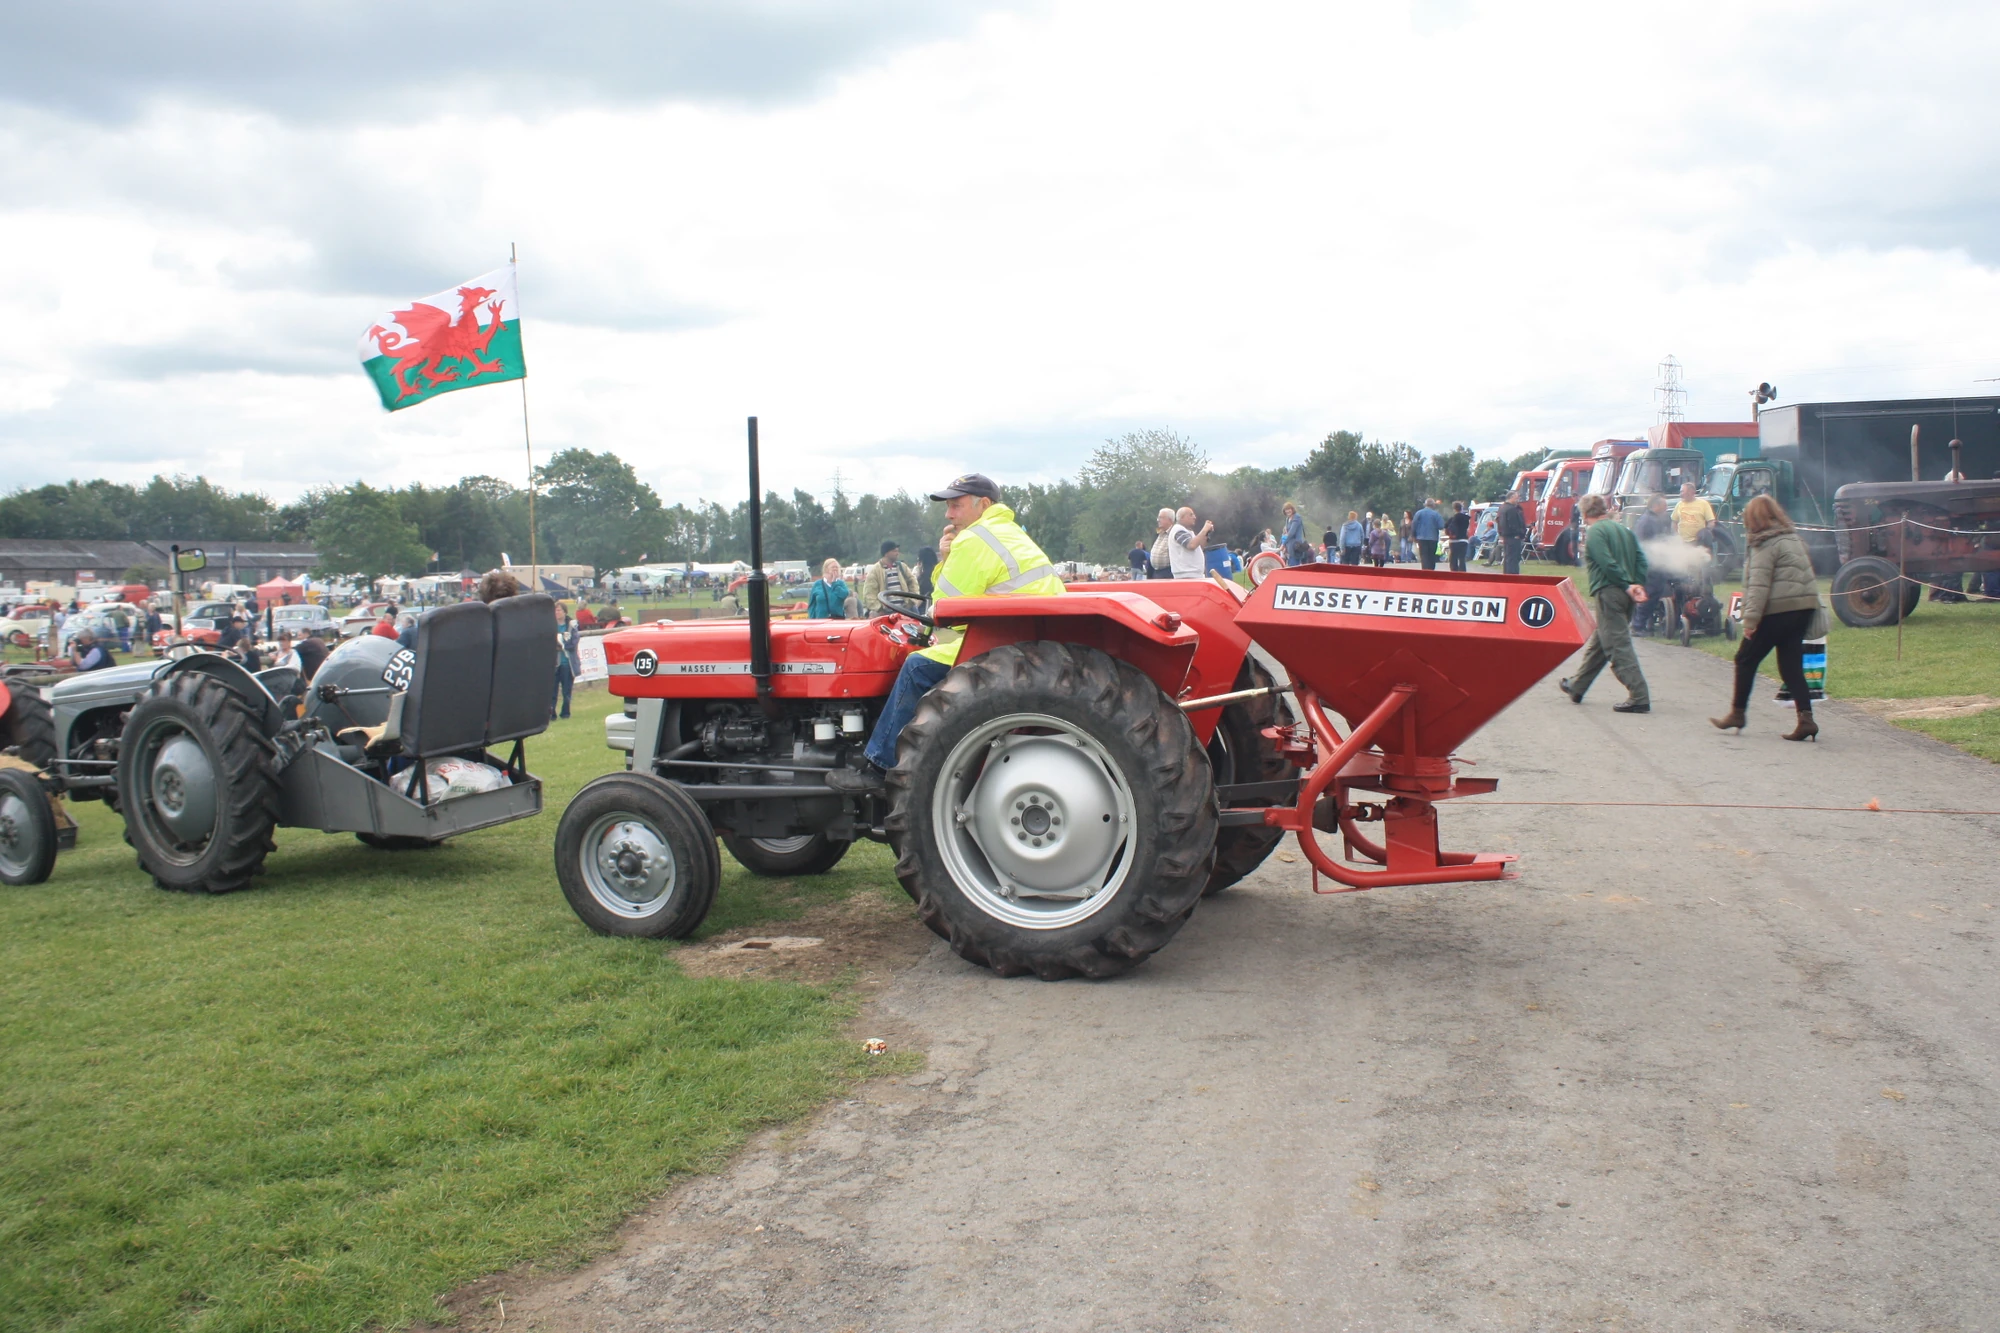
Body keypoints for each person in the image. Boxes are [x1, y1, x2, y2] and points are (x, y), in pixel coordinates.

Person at [827, 472, 1063, 793]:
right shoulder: (1010, 533)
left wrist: (947, 558)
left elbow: (944, 608)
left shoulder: (975, 539)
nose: (949, 515)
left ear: (983, 504)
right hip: (1027, 640)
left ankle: (879, 765)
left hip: (1001, 646)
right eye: (948, 507)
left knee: (916, 666)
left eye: (956, 506)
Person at [1711, 494, 1821, 741]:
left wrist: (1750, 622)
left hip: (1777, 610)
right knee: (1791, 666)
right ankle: (1806, 719)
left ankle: (1737, 713)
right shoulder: (1793, 538)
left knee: (1745, 659)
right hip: (1803, 607)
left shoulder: (1765, 543)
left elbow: (1759, 586)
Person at [1559, 494, 1651, 713]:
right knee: (1602, 640)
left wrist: (1625, 584)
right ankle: (1577, 686)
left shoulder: (1595, 532)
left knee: (1616, 644)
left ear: (1584, 513)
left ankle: (1639, 695)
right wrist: (1636, 584)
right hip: (1627, 593)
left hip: (1610, 591)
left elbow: (1606, 563)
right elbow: (1641, 560)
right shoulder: (1624, 530)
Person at [861, 541, 918, 614]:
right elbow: (869, 593)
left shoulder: (902, 567)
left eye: (897, 551)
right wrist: (879, 609)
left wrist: (911, 601)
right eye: (894, 551)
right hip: (886, 612)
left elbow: (913, 582)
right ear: (886, 553)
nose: (897, 553)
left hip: (904, 610)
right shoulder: (875, 571)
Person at [1168, 506, 1212, 579]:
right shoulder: (1178, 530)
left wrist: (1206, 533)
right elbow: (1191, 545)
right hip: (1186, 575)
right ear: (1182, 517)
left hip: (1192, 574)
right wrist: (1204, 529)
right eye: (1191, 515)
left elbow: (1199, 547)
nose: (1194, 517)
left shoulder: (1188, 531)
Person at [1498, 489, 1528, 575]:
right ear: (1511, 497)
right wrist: (1520, 533)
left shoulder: (1502, 508)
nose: (1518, 500)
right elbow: (1514, 524)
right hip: (1514, 537)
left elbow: (1499, 522)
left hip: (1506, 537)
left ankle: (1507, 576)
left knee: (1508, 559)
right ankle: (1513, 577)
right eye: (1516, 498)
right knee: (1513, 560)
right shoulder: (1511, 509)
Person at [1412, 499, 1445, 571]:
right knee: (1431, 556)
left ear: (1425, 505)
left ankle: (1425, 571)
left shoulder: (1419, 513)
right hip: (1433, 538)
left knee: (1424, 555)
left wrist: (1413, 536)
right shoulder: (1436, 514)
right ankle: (1431, 571)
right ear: (1433, 505)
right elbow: (1441, 526)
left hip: (1421, 538)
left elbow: (1414, 525)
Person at [1445, 501, 1471, 572]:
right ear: (1461, 508)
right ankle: (1462, 573)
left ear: (1454, 509)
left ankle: (1454, 573)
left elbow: (1446, 527)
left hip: (1453, 541)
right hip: (1463, 540)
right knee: (1462, 558)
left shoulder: (1451, 519)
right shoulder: (1466, 518)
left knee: (1453, 558)